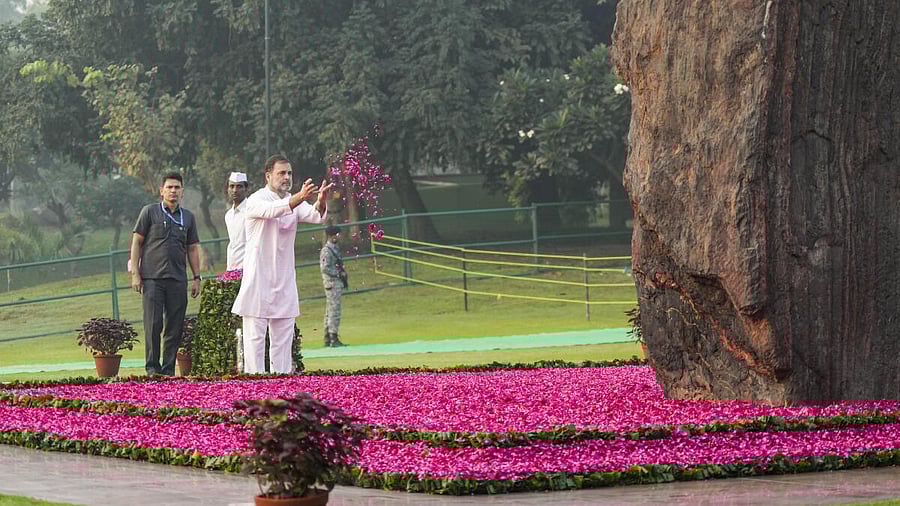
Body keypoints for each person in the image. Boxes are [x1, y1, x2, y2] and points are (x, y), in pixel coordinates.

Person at [231, 154, 333, 374]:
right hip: (258, 280)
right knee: (255, 340)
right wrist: (298, 197)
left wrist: (321, 200)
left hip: (284, 281)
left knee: (283, 342)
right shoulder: (256, 200)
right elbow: (273, 210)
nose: (287, 177)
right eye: (281, 173)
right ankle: (255, 391)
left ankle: (283, 388)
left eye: (289, 173)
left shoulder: (295, 202)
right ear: (268, 175)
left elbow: (316, 215)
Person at [130, 172, 202, 376]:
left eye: (177, 187)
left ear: (182, 192)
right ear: (161, 191)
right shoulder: (149, 212)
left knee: (175, 326)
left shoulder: (187, 217)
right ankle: (152, 368)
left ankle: (169, 369)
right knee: (153, 324)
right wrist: (135, 273)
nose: (173, 191)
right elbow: (136, 242)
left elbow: (193, 248)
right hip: (152, 279)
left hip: (178, 279)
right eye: (169, 187)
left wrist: (197, 278)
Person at [320, 225, 347, 347]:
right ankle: (333, 337)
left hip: (335, 282)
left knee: (329, 310)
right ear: (331, 235)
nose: (339, 236)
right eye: (337, 234)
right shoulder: (327, 250)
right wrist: (338, 274)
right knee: (334, 311)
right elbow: (325, 268)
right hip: (332, 283)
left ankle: (327, 337)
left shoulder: (335, 248)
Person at [224, 172, 249, 271]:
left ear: (246, 188)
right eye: (232, 186)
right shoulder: (228, 215)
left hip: (249, 268)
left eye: (239, 186)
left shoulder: (251, 211)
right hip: (232, 268)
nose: (235, 190)